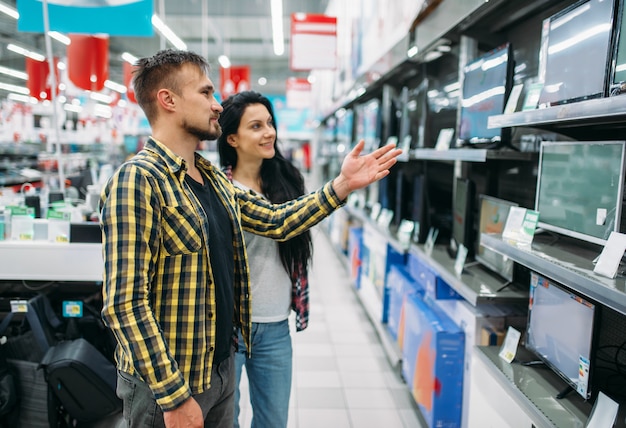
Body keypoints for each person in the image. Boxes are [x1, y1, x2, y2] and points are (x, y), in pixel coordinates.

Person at [99, 49, 401, 428]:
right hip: (170, 383)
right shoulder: (139, 180)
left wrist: (341, 186)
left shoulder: (211, 179)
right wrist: (174, 396)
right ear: (168, 100)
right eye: (206, 93)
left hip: (219, 368)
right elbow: (124, 304)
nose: (217, 104)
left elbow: (276, 220)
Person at [217, 91, 312, 428]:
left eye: (269, 123)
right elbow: (276, 223)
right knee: (227, 419)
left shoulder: (287, 181)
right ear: (232, 138)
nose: (268, 132)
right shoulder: (218, 191)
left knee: (273, 421)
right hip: (228, 329)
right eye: (256, 126)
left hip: (275, 326)